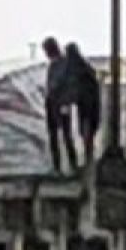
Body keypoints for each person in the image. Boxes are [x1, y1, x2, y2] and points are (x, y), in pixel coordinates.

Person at [41, 36, 78, 175]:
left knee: (66, 135)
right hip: (52, 103)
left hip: (61, 102)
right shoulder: (53, 65)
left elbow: (61, 83)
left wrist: (63, 99)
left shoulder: (63, 64)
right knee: (54, 135)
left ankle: (71, 165)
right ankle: (57, 166)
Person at [63, 43, 101, 168]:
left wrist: (68, 100)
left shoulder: (75, 69)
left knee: (86, 133)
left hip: (85, 106)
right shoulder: (85, 67)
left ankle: (88, 161)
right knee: (88, 134)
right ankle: (88, 159)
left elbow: (74, 88)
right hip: (90, 106)